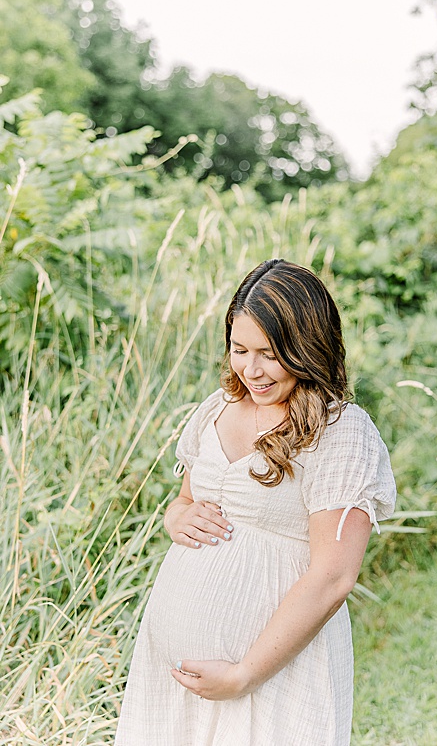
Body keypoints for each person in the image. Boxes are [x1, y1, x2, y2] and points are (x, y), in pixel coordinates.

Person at [115, 259, 397, 744]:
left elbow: (334, 576)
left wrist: (244, 673)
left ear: (307, 348)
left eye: (269, 353)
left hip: (273, 674)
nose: (251, 369)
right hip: (172, 682)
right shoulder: (217, 407)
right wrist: (177, 518)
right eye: (239, 349)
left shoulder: (340, 431)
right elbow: (182, 502)